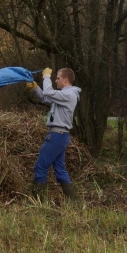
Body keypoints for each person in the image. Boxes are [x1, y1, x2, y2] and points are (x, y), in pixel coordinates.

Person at [26, 67, 82, 201]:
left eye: (58, 78)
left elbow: (49, 92)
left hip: (56, 136)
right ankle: (72, 201)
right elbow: (45, 97)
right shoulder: (63, 95)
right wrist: (35, 88)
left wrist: (46, 77)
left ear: (66, 80)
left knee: (41, 166)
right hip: (61, 136)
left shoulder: (68, 95)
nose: (55, 80)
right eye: (54, 78)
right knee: (60, 169)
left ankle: (39, 202)